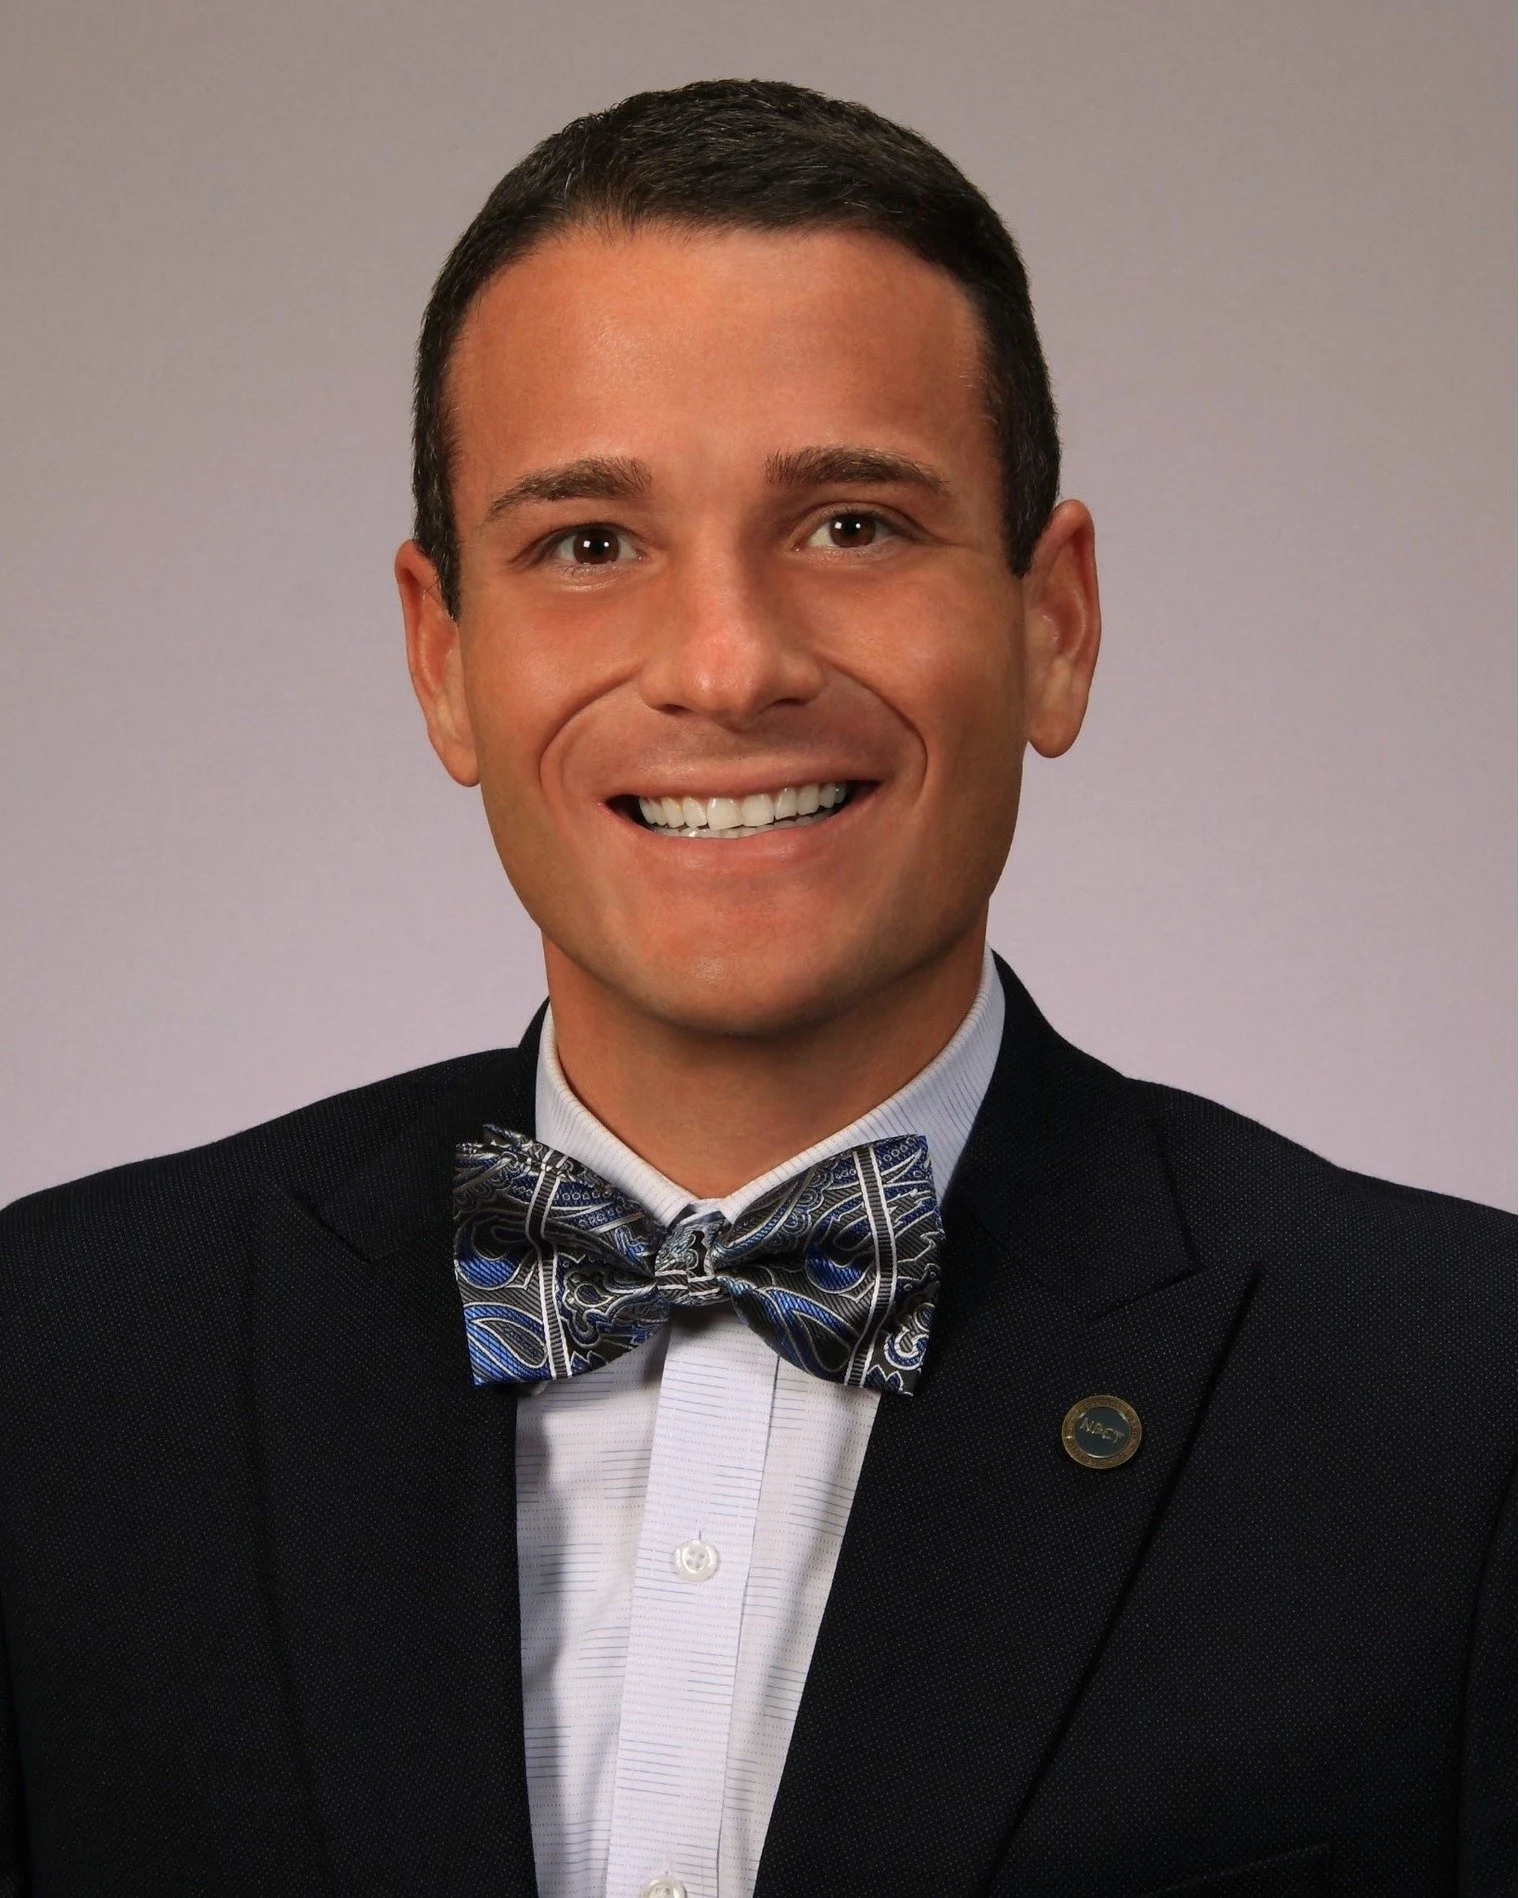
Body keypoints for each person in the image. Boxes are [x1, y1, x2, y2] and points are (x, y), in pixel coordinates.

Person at [0, 77, 1510, 1898]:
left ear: (1053, 621)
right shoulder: (53, 1366)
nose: (725, 666)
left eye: (853, 523)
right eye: (588, 544)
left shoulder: (1463, 1407)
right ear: (443, 657)